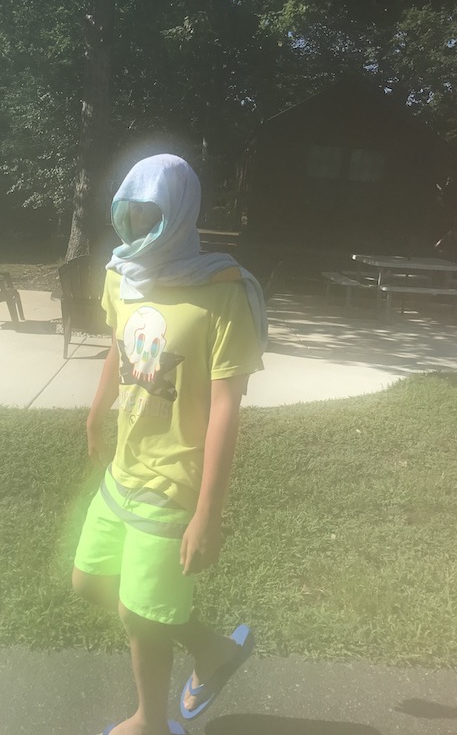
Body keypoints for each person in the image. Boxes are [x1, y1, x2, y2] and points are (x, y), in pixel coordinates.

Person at [72, 153, 266, 735]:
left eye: (151, 213)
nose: (138, 225)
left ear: (179, 213)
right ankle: (213, 650)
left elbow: (227, 406)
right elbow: (119, 347)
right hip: (124, 467)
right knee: (90, 581)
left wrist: (208, 513)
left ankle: (150, 724)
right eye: (130, 212)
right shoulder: (123, 274)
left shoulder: (224, 291)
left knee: (140, 614)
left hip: (175, 477)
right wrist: (96, 411)